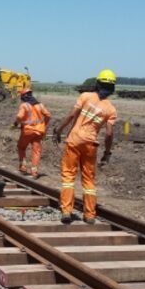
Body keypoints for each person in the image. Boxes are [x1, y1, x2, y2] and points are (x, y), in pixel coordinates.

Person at [52, 69, 118, 225]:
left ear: (97, 83)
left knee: (68, 177)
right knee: (89, 180)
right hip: (91, 145)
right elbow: (109, 134)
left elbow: (70, 116)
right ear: (112, 89)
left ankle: (67, 211)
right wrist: (107, 153)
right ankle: (89, 214)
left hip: (74, 141)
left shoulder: (85, 97)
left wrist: (58, 130)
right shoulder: (111, 109)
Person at [13, 87, 51, 179]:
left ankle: (23, 167)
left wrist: (16, 123)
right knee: (36, 151)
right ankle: (34, 172)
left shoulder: (24, 105)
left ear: (23, 97)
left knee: (21, 147)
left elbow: (19, 116)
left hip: (27, 131)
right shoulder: (40, 105)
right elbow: (48, 115)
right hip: (39, 132)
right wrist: (43, 125)